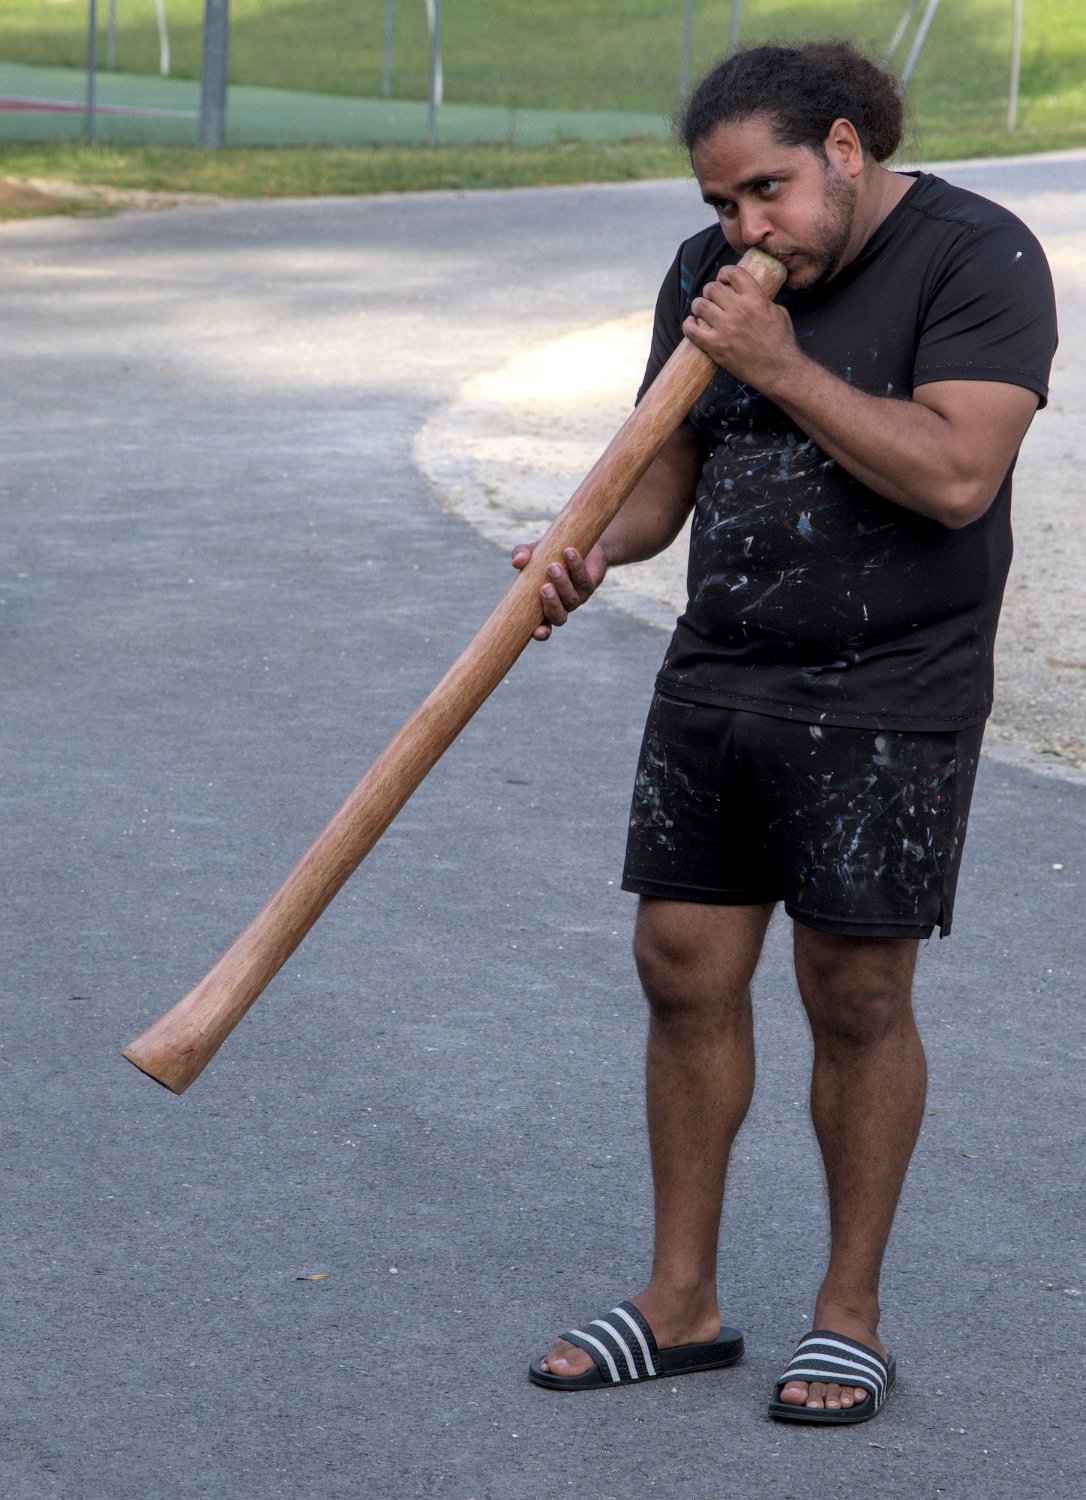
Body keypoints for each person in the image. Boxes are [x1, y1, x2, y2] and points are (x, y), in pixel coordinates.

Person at [514, 40, 1057, 1424]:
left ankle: (846, 1318)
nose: (740, 233)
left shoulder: (976, 259)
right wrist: (587, 551)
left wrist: (780, 358)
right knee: (679, 966)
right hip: (721, 671)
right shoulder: (707, 284)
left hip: (891, 685)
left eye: (761, 193)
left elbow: (951, 474)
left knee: (855, 996)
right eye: (716, 207)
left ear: (842, 146)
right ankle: (678, 1303)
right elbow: (662, 476)